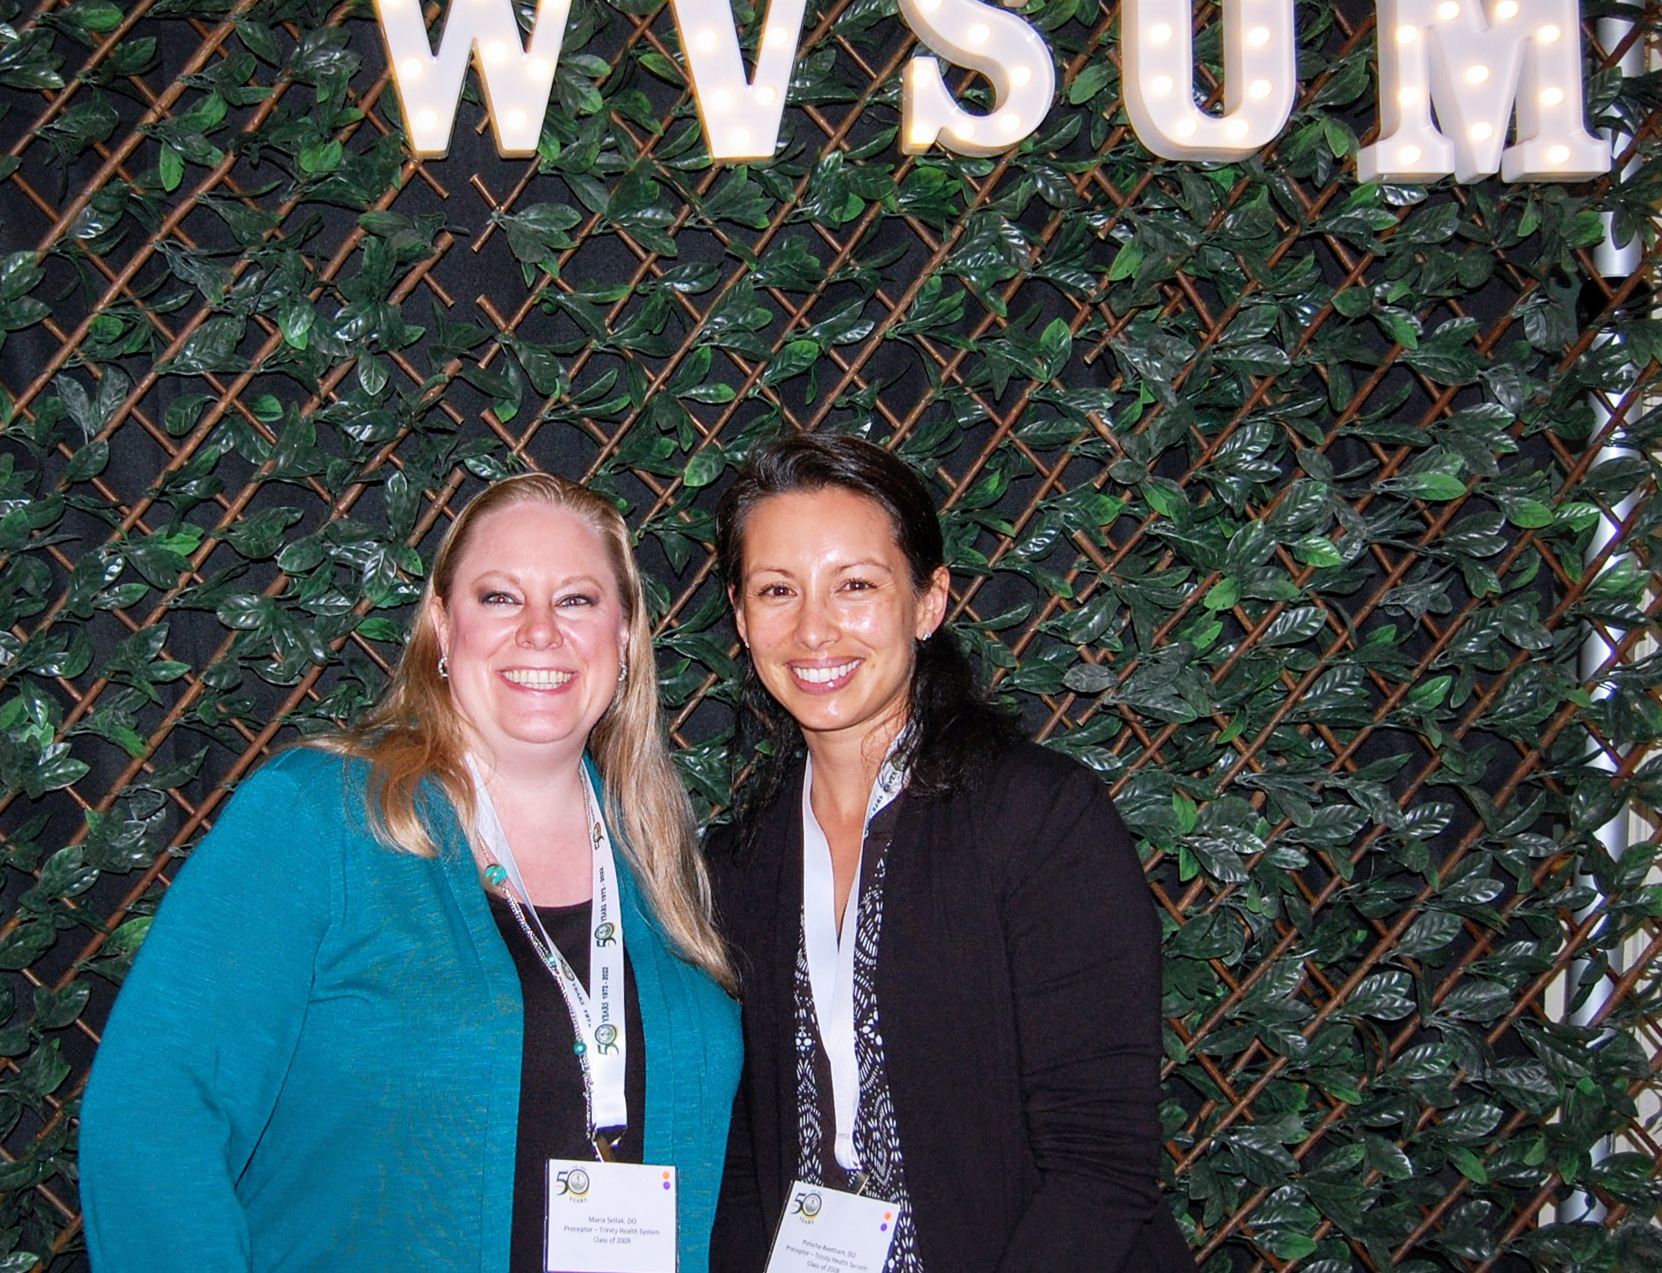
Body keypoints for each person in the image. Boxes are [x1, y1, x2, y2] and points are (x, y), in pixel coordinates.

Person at [81, 474, 742, 1273]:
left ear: (627, 637)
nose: (540, 631)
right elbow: (152, 1117)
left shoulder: (660, 859)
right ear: (441, 625)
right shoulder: (317, 818)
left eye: (577, 600)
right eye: (500, 597)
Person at [706, 432, 1194, 1273]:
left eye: (855, 585)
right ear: (743, 617)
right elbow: (749, 1162)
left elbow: (1100, 1165)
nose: (813, 628)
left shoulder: (1039, 819)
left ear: (928, 603)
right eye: (777, 589)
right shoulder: (739, 864)